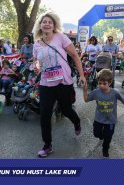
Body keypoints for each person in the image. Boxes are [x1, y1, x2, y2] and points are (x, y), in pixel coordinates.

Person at [32, 12, 87, 157]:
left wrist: (81, 75)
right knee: (44, 115)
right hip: (45, 82)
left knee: (66, 109)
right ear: (40, 25)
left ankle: (76, 122)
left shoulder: (61, 37)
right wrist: (36, 65)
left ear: (54, 25)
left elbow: (75, 55)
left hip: (63, 81)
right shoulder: (36, 44)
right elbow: (36, 61)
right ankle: (47, 145)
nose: (47, 24)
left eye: (50, 22)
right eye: (44, 22)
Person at [83, 69, 124, 158]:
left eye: (104, 83)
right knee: (96, 134)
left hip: (110, 121)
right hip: (98, 119)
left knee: (108, 137)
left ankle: (105, 149)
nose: (101, 86)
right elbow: (86, 100)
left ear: (109, 83)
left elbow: (123, 100)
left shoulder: (114, 93)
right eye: (100, 83)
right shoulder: (96, 92)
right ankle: (101, 136)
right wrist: (85, 90)